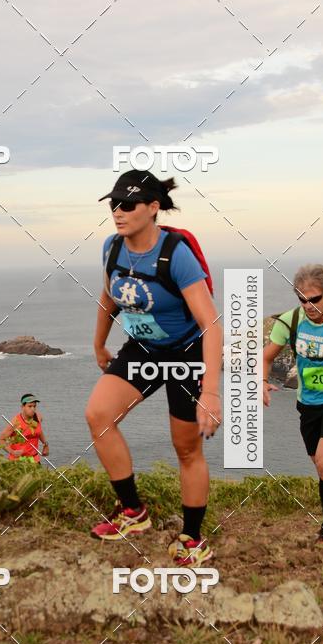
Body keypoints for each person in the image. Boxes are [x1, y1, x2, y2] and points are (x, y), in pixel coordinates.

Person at [85, 170, 222, 567]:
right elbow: (111, 295)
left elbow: (211, 324)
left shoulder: (175, 253)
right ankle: (133, 512)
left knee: (186, 448)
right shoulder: (112, 247)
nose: (118, 212)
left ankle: (192, 539)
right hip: (143, 349)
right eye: (114, 204)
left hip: (186, 354)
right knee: (98, 415)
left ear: (153, 208)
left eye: (128, 205)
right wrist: (98, 343)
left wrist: (210, 392)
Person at [263, 264, 323, 546]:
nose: (308, 306)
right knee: (322, 467)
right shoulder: (291, 321)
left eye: (314, 299)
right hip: (308, 403)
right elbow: (267, 356)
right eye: (302, 299)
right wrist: (261, 382)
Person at [0, 394, 49, 464]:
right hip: (19, 461)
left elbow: (39, 431)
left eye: (34, 406)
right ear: (22, 407)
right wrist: (12, 452)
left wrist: (45, 444)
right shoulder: (15, 422)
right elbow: (0, 440)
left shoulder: (38, 417)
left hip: (34, 460)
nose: (33, 409)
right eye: (30, 406)